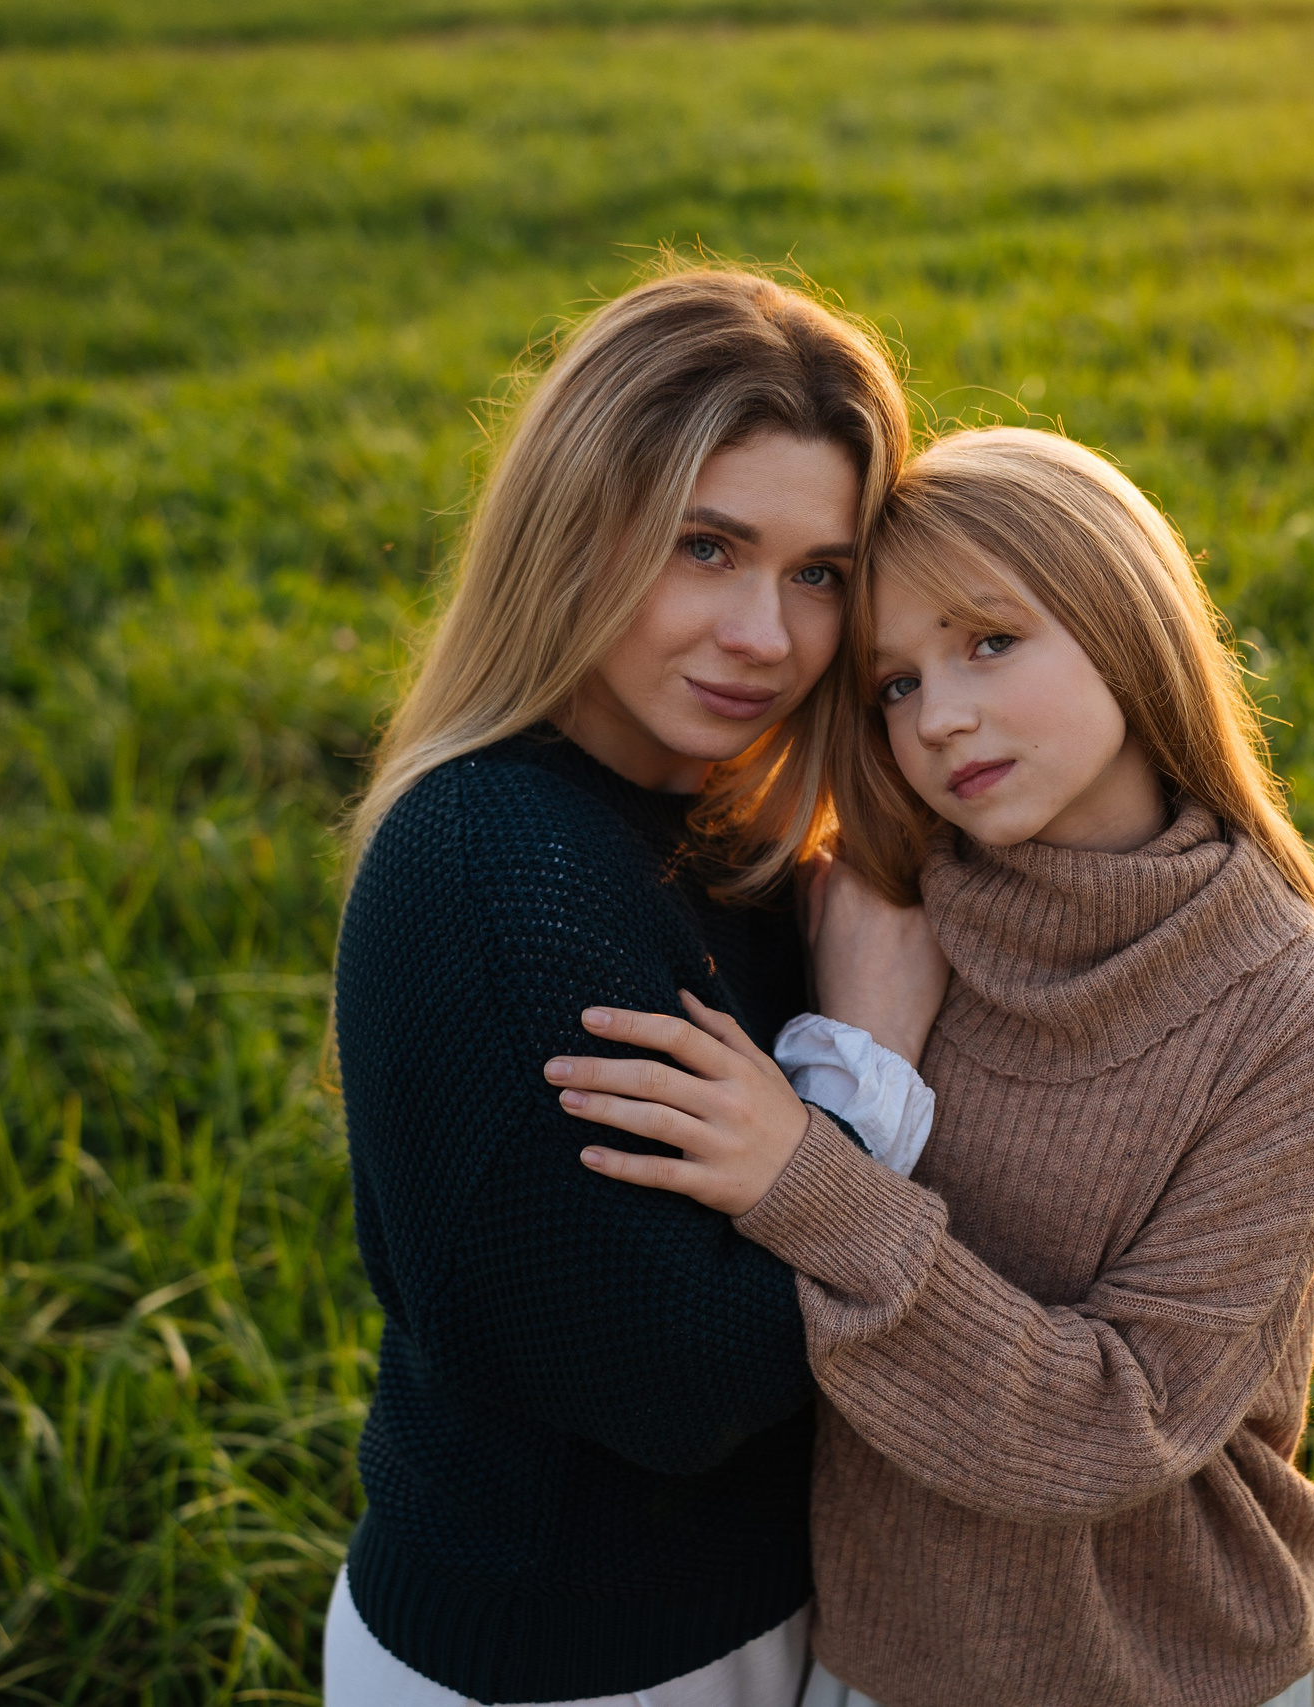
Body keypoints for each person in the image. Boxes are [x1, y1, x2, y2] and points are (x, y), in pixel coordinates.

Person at [558, 427, 1314, 1707]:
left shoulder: (1291, 1009)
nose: (939, 718)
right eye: (892, 684)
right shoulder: (872, 917)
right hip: (876, 1659)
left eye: (989, 641)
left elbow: (1120, 1426)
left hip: (1171, 1670)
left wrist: (806, 1174)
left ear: (1125, 620)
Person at [327, 262, 945, 1706]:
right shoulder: (497, 862)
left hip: (765, 1618)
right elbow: (675, 1382)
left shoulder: (725, 830)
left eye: (821, 573)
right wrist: (857, 1070)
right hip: (559, 1661)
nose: (767, 637)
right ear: (574, 529)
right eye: (704, 546)